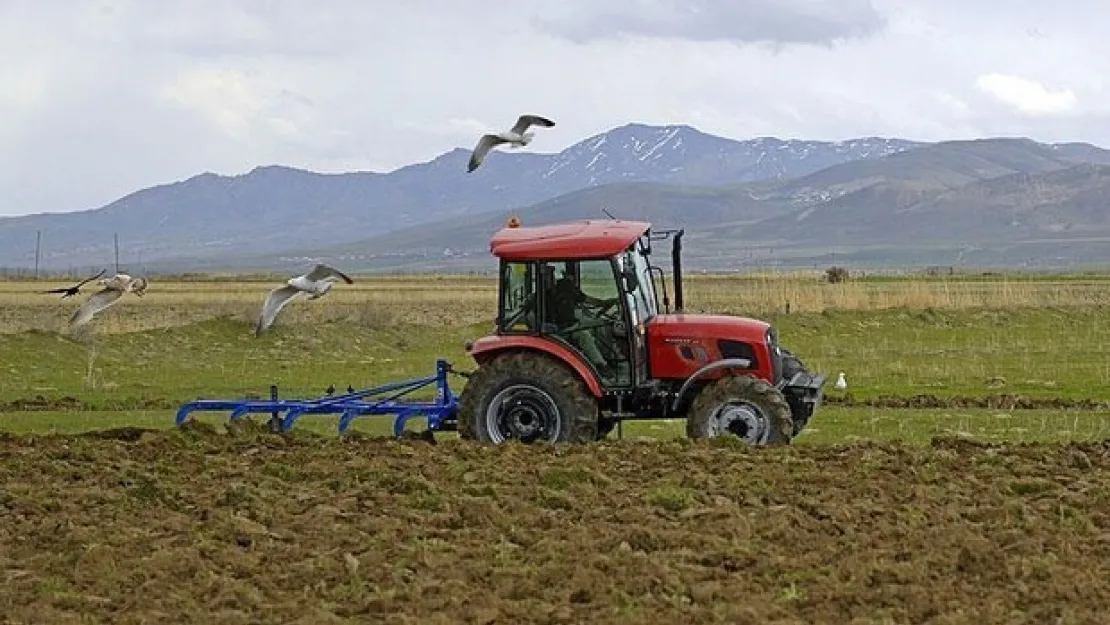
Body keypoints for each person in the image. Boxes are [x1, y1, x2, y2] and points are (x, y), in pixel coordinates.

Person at [547, 267, 618, 374]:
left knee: (603, 323)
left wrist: (605, 303)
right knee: (584, 335)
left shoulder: (568, 292)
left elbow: (588, 300)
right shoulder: (548, 296)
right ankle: (600, 365)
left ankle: (608, 357)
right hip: (561, 331)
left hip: (573, 325)